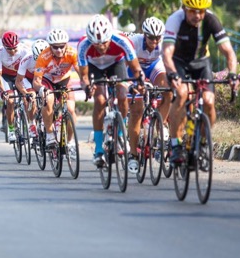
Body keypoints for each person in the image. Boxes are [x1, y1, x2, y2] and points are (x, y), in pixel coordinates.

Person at [163, 0, 240, 165]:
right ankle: (175, 146)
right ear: (184, 8)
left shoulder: (211, 20)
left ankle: (204, 142)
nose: (197, 15)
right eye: (192, 11)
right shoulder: (175, 20)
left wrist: (233, 74)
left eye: (201, 11)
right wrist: (172, 74)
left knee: (208, 101)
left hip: (201, 63)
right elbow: (166, 53)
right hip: (179, 62)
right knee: (181, 94)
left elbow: (228, 51)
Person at [77, 16, 144, 167]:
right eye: (97, 44)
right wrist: (87, 87)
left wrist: (139, 81)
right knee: (100, 100)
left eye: (104, 43)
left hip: (116, 63)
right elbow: (84, 77)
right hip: (94, 67)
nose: (101, 47)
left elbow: (136, 68)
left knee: (122, 95)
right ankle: (99, 149)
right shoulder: (83, 45)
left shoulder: (121, 40)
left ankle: (120, 135)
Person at [125, 17, 172, 174]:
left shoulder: (164, 43)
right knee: (136, 110)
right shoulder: (134, 42)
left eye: (158, 37)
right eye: (151, 37)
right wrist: (133, 85)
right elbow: (123, 64)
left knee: (168, 91)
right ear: (144, 35)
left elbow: (171, 63)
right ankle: (132, 154)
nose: (154, 40)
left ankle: (160, 127)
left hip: (153, 67)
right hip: (134, 68)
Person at [33, 29, 81, 158]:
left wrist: (87, 84)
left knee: (71, 110)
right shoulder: (44, 56)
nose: (59, 50)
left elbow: (81, 72)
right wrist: (41, 89)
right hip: (47, 80)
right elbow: (36, 81)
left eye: (61, 46)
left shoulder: (72, 53)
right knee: (48, 99)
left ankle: (70, 143)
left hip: (64, 80)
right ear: (50, 46)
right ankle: (49, 134)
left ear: (66, 44)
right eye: (55, 47)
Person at [0, 31, 31, 143]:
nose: (13, 51)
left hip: (21, 76)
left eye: (15, 48)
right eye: (9, 49)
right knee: (10, 100)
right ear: (4, 47)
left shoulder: (25, 50)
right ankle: (10, 129)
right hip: (6, 77)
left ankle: (27, 127)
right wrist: (2, 91)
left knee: (27, 98)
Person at [15, 39, 49, 138]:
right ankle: (32, 124)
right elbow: (18, 81)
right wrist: (25, 93)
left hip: (42, 78)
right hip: (27, 78)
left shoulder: (52, 58)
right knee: (31, 99)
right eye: (37, 59)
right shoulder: (26, 59)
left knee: (48, 95)